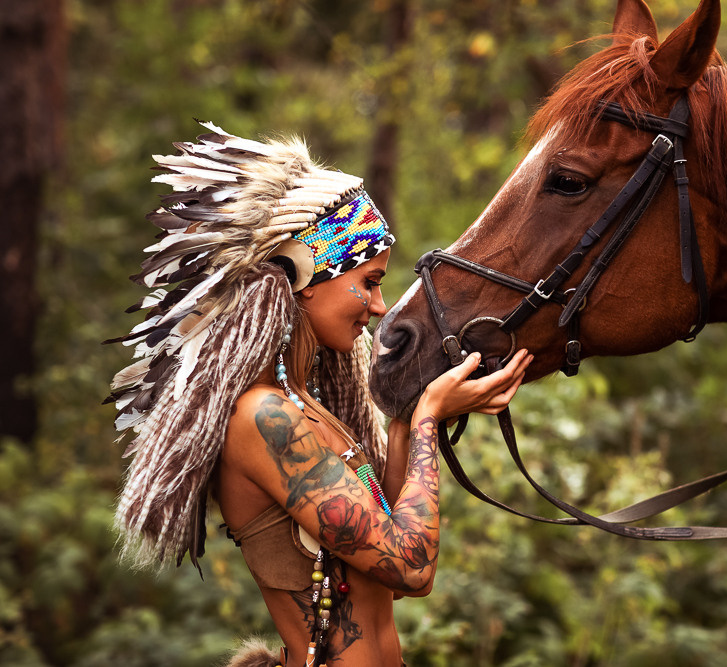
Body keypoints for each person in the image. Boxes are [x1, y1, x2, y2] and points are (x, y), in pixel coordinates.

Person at [107, 122, 532, 666]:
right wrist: (428, 421)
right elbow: (412, 568)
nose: (380, 307)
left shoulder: (308, 410)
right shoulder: (262, 420)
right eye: (370, 282)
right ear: (304, 275)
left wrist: (403, 419)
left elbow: (390, 566)